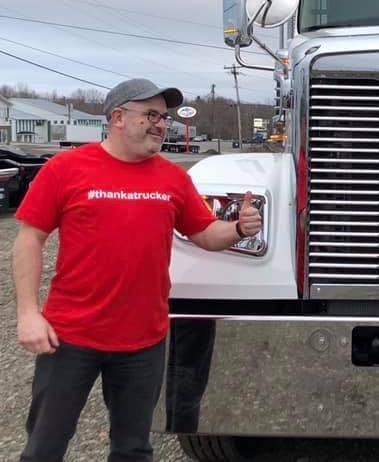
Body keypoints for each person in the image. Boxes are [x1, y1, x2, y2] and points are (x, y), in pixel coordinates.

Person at [12, 78, 263, 462]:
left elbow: (204, 234)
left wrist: (238, 229)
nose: (161, 124)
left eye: (164, 117)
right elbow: (29, 239)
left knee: (133, 449)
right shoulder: (66, 168)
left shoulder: (173, 177)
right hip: (71, 336)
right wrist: (29, 313)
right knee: (45, 446)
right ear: (117, 116)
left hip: (144, 341)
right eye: (150, 115)